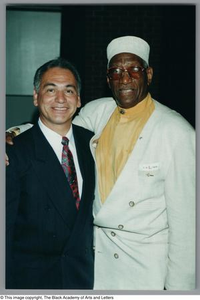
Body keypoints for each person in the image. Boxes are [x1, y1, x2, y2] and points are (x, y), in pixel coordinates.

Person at [6, 36, 195, 290]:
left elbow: (187, 230)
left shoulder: (177, 132)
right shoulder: (100, 112)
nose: (124, 79)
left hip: (148, 270)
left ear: (148, 74)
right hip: (97, 266)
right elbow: (57, 126)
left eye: (133, 70)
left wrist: (179, 292)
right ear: (108, 80)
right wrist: (14, 132)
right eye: (116, 72)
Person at [6, 58, 95, 289]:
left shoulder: (93, 143)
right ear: (36, 97)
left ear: (78, 99)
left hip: (83, 280)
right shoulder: (14, 153)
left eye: (68, 90)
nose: (60, 99)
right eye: (50, 89)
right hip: (32, 283)